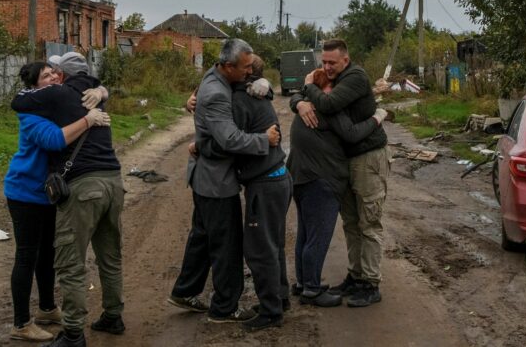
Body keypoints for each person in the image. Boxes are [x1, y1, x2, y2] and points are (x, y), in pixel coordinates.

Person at [12, 52, 124, 347]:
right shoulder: (95, 95)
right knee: (109, 256)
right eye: (46, 75)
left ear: (62, 75)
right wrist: (99, 96)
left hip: (84, 185)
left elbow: (18, 101)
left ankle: (73, 334)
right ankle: (113, 316)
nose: (52, 78)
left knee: (71, 261)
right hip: (114, 180)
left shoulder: (57, 95)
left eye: (54, 73)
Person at [167, 39, 280, 324]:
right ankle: (225, 307)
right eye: (245, 69)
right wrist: (263, 140)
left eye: (252, 68)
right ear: (228, 66)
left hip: (205, 178)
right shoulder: (218, 93)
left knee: (202, 238)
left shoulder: (213, 74)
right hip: (216, 182)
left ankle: (185, 290)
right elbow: (229, 139)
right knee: (226, 245)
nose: (248, 72)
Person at [193, 54, 291, 331]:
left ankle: (271, 312)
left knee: (259, 251)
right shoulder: (255, 95)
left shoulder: (238, 101)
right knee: (273, 245)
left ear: (242, 74)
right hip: (277, 179)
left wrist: (200, 146)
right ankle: (280, 299)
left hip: (265, 183)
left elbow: (228, 143)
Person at [293, 39, 390, 307]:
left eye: (332, 62)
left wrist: (309, 88)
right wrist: (299, 101)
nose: (327, 66)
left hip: (368, 157)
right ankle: (355, 275)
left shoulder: (356, 76)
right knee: (350, 221)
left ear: (345, 60)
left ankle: (370, 283)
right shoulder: (332, 79)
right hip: (348, 160)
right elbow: (311, 99)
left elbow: (329, 103)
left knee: (369, 221)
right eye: (323, 62)